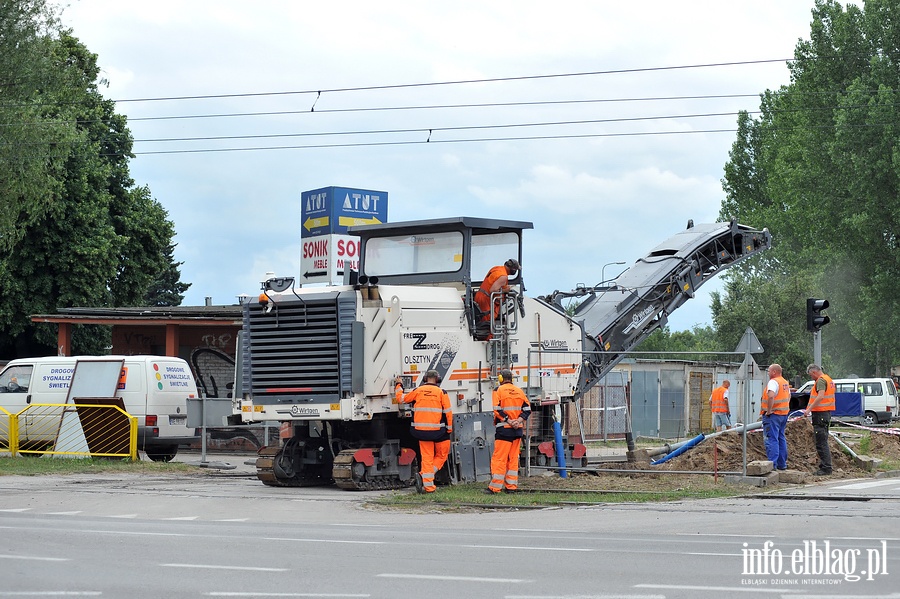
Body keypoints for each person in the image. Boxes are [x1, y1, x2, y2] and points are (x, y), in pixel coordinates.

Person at [395, 370, 453, 493]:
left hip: (421, 432)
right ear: (438, 379)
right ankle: (423, 476)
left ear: (425, 379)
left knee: (427, 458)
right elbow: (448, 413)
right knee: (442, 455)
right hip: (438, 432)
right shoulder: (441, 392)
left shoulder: (418, 391)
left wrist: (399, 385)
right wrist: (449, 429)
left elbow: (401, 399)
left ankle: (428, 486)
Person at [487, 368, 531, 494]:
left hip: (504, 430)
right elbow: (527, 410)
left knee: (499, 459)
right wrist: (518, 420)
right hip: (517, 431)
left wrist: (509, 420)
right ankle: (511, 487)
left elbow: (497, 409)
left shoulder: (498, 390)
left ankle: (495, 487)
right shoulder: (519, 391)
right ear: (511, 378)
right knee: (513, 459)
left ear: (500, 379)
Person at [474, 258, 520, 337]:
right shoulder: (503, 276)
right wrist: (506, 290)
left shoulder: (496, 269)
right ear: (512, 269)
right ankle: (487, 343)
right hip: (486, 301)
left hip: (480, 296)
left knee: (481, 321)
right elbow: (493, 289)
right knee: (487, 325)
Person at [803, 364, 834, 475]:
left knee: (821, 443)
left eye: (811, 375)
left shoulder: (821, 381)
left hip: (820, 414)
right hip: (825, 413)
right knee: (822, 441)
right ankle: (825, 466)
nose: (811, 377)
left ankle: (826, 468)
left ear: (814, 372)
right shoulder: (828, 379)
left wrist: (808, 410)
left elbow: (820, 396)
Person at [761, 363, 791, 471]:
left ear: (774, 372)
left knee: (771, 439)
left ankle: (772, 465)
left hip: (773, 415)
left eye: (769, 371)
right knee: (781, 438)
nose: (768, 373)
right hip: (783, 414)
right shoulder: (784, 382)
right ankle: (781, 464)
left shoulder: (773, 382)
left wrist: (769, 410)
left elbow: (771, 396)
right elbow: (789, 397)